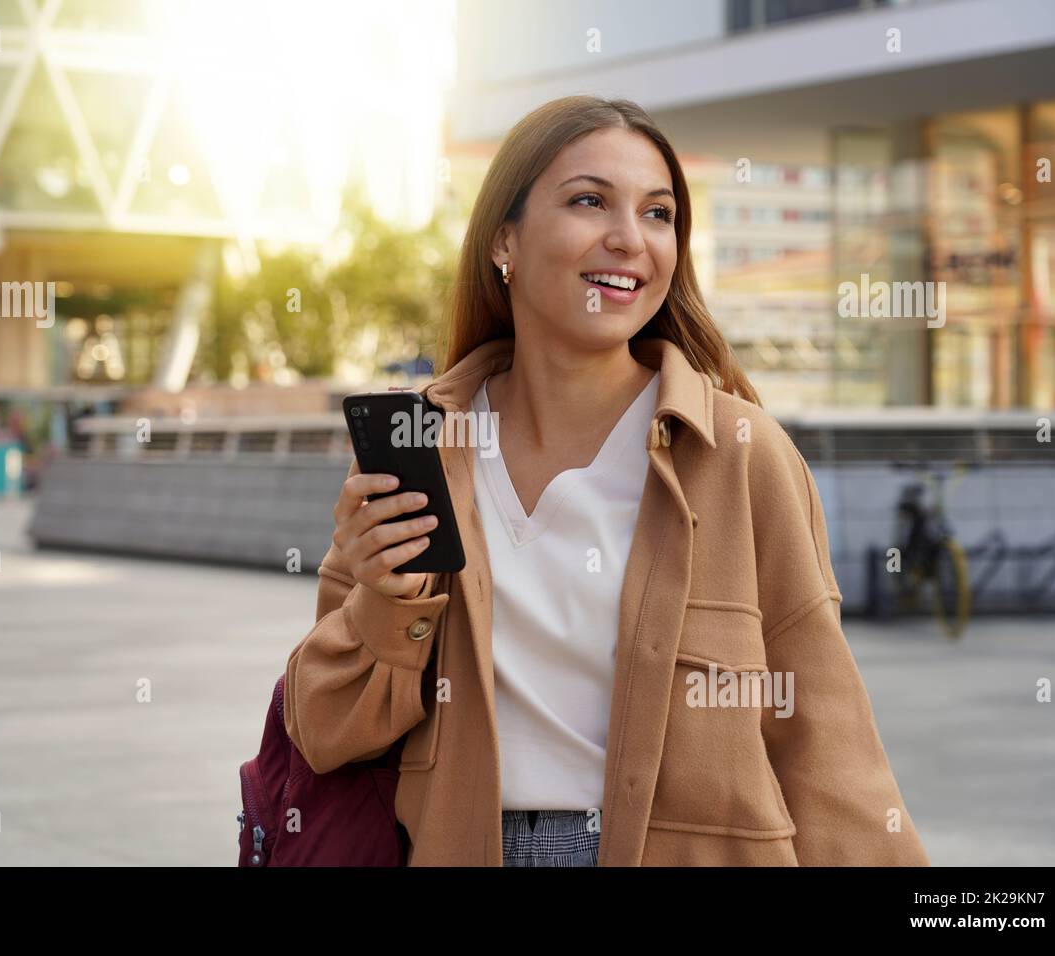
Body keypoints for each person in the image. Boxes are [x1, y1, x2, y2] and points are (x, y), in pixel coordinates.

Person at [284, 96, 930, 867]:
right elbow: (324, 730)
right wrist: (386, 602)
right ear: (504, 242)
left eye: (658, 214)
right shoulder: (417, 448)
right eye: (590, 201)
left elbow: (823, 736)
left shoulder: (739, 453)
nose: (630, 239)